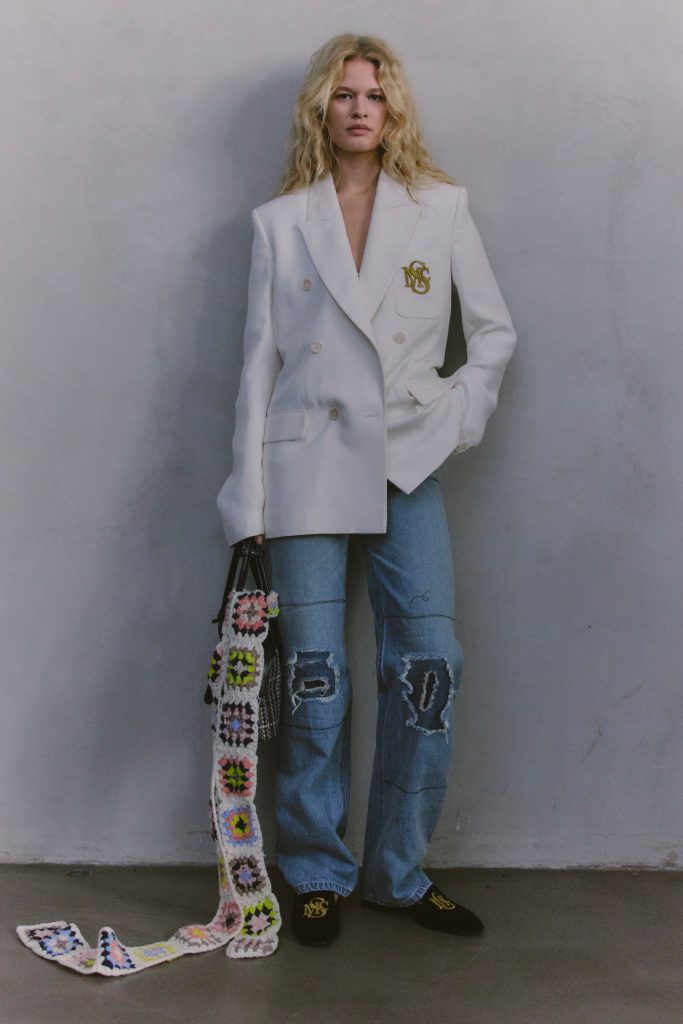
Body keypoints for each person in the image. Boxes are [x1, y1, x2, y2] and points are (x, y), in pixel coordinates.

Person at [216, 33, 517, 946]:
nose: (359, 109)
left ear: (393, 110)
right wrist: (246, 503)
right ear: (321, 106)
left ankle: (397, 872)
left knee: (428, 668)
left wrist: (453, 412)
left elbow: (493, 334)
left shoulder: (441, 207)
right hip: (304, 464)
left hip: (406, 459)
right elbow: (258, 368)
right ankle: (314, 871)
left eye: (374, 95)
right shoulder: (280, 222)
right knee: (315, 678)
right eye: (344, 94)